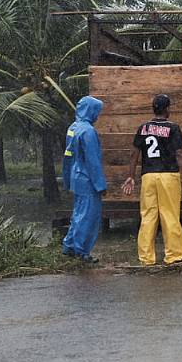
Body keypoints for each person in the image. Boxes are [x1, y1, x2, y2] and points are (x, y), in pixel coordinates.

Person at [122, 94, 182, 266]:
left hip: (148, 176)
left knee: (148, 216)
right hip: (168, 175)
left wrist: (130, 176)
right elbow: (180, 154)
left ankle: (146, 258)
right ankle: (174, 256)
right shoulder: (173, 128)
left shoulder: (142, 128)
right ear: (167, 109)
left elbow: (134, 154)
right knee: (170, 215)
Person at [61, 95, 107, 263]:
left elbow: (68, 156)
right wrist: (100, 184)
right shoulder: (88, 132)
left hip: (76, 176)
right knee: (88, 216)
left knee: (78, 213)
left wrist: (67, 178)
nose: (97, 115)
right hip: (88, 179)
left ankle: (69, 246)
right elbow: (93, 161)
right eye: (97, 111)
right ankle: (81, 251)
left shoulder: (73, 127)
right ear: (91, 110)